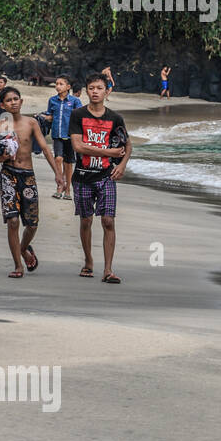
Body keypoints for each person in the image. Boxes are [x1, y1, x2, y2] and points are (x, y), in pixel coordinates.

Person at [0, 86, 64, 278]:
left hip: (27, 175)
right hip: (8, 174)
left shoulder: (31, 123)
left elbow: (46, 149)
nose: (13, 102)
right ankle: (18, 265)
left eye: (16, 99)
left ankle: (23, 249)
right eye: (9, 100)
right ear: (2, 104)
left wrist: (58, 174)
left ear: (21, 102)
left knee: (32, 224)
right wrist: (2, 157)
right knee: (13, 221)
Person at [69, 73, 131, 284]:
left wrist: (121, 165)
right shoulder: (78, 115)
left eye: (99, 88)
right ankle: (88, 261)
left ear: (107, 91)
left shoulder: (115, 118)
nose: (95, 91)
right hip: (82, 176)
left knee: (108, 221)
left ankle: (108, 270)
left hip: (106, 176)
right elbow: (78, 146)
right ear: (86, 90)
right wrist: (110, 154)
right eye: (91, 88)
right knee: (86, 221)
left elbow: (127, 145)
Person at [40, 76, 82, 199]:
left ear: (68, 87)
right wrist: (43, 117)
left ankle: (68, 189)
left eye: (61, 84)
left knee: (68, 164)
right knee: (58, 159)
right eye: (56, 84)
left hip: (70, 136)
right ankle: (60, 185)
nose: (57, 86)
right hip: (57, 135)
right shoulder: (52, 100)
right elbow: (50, 115)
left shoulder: (74, 101)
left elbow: (80, 117)